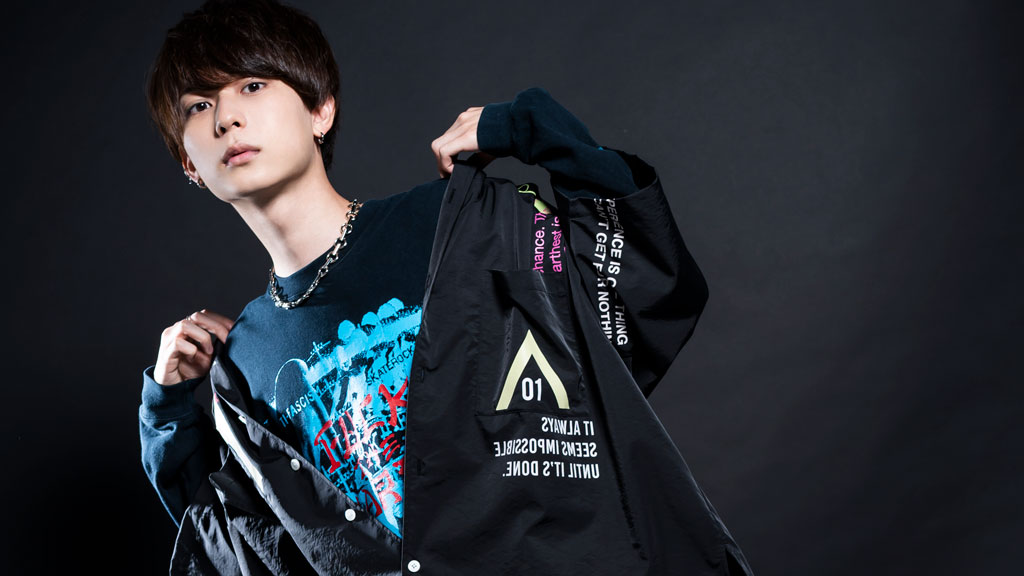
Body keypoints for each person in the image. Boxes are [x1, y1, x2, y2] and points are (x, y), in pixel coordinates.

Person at [139, 0, 725, 570]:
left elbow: (639, 277)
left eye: (252, 86)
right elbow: (235, 541)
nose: (226, 117)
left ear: (321, 111)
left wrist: (528, 128)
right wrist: (167, 408)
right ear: (189, 164)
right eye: (199, 105)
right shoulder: (245, 359)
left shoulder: (457, 222)